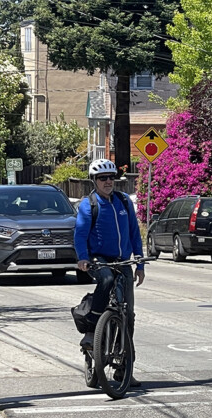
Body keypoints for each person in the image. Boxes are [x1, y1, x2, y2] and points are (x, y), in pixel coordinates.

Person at [74, 159, 146, 386]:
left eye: (111, 177)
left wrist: (140, 263)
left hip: (123, 260)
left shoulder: (123, 202)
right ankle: (92, 331)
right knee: (105, 279)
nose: (108, 182)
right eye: (102, 178)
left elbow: (134, 232)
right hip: (99, 258)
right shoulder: (89, 205)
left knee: (128, 315)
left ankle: (124, 369)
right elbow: (80, 234)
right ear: (94, 181)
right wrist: (83, 258)